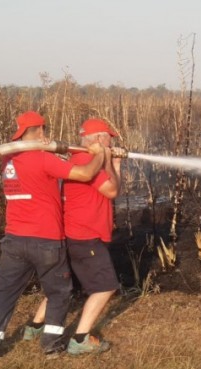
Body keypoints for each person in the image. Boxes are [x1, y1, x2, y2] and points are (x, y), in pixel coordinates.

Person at [0, 111, 108, 369]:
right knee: (59, 292)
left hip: (14, 240)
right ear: (39, 132)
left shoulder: (9, 159)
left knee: (4, 296)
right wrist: (99, 154)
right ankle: (51, 345)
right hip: (46, 240)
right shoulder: (42, 160)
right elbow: (85, 174)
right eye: (44, 130)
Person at [23, 118, 124, 355]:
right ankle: (80, 339)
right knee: (106, 287)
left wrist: (113, 163)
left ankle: (34, 326)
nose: (111, 142)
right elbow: (112, 190)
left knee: (62, 285)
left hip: (70, 233)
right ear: (99, 139)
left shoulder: (77, 159)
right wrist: (111, 163)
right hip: (86, 236)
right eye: (109, 138)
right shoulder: (90, 161)